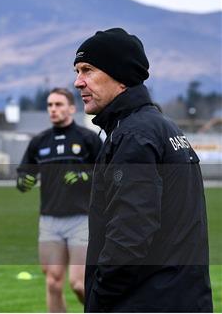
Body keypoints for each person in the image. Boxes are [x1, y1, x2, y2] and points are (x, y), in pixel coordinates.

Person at [73, 28, 213, 312]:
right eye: (77, 71)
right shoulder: (161, 126)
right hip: (181, 298)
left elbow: (130, 234)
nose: (78, 82)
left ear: (120, 76)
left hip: (145, 301)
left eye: (87, 70)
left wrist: (99, 296)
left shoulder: (133, 135)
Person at [16, 88, 102, 312]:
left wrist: (84, 176)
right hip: (49, 222)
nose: (53, 109)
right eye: (50, 105)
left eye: (58, 104)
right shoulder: (39, 142)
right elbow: (24, 175)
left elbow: (108, 174)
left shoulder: (88, 139)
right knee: (53, 282)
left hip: (81, 220)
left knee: (78, 284)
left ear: (72, 108)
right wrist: (23, 182)